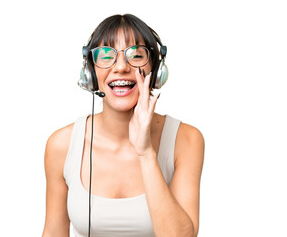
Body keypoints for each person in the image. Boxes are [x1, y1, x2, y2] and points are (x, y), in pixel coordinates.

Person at [42, 14, 205, 237]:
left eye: (136, 55)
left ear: (156, 71)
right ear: (90, 72)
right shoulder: (62, 144)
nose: (120, 67)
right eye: (106, 56)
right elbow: (53, 232)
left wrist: (145, 152)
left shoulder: (186, 140)